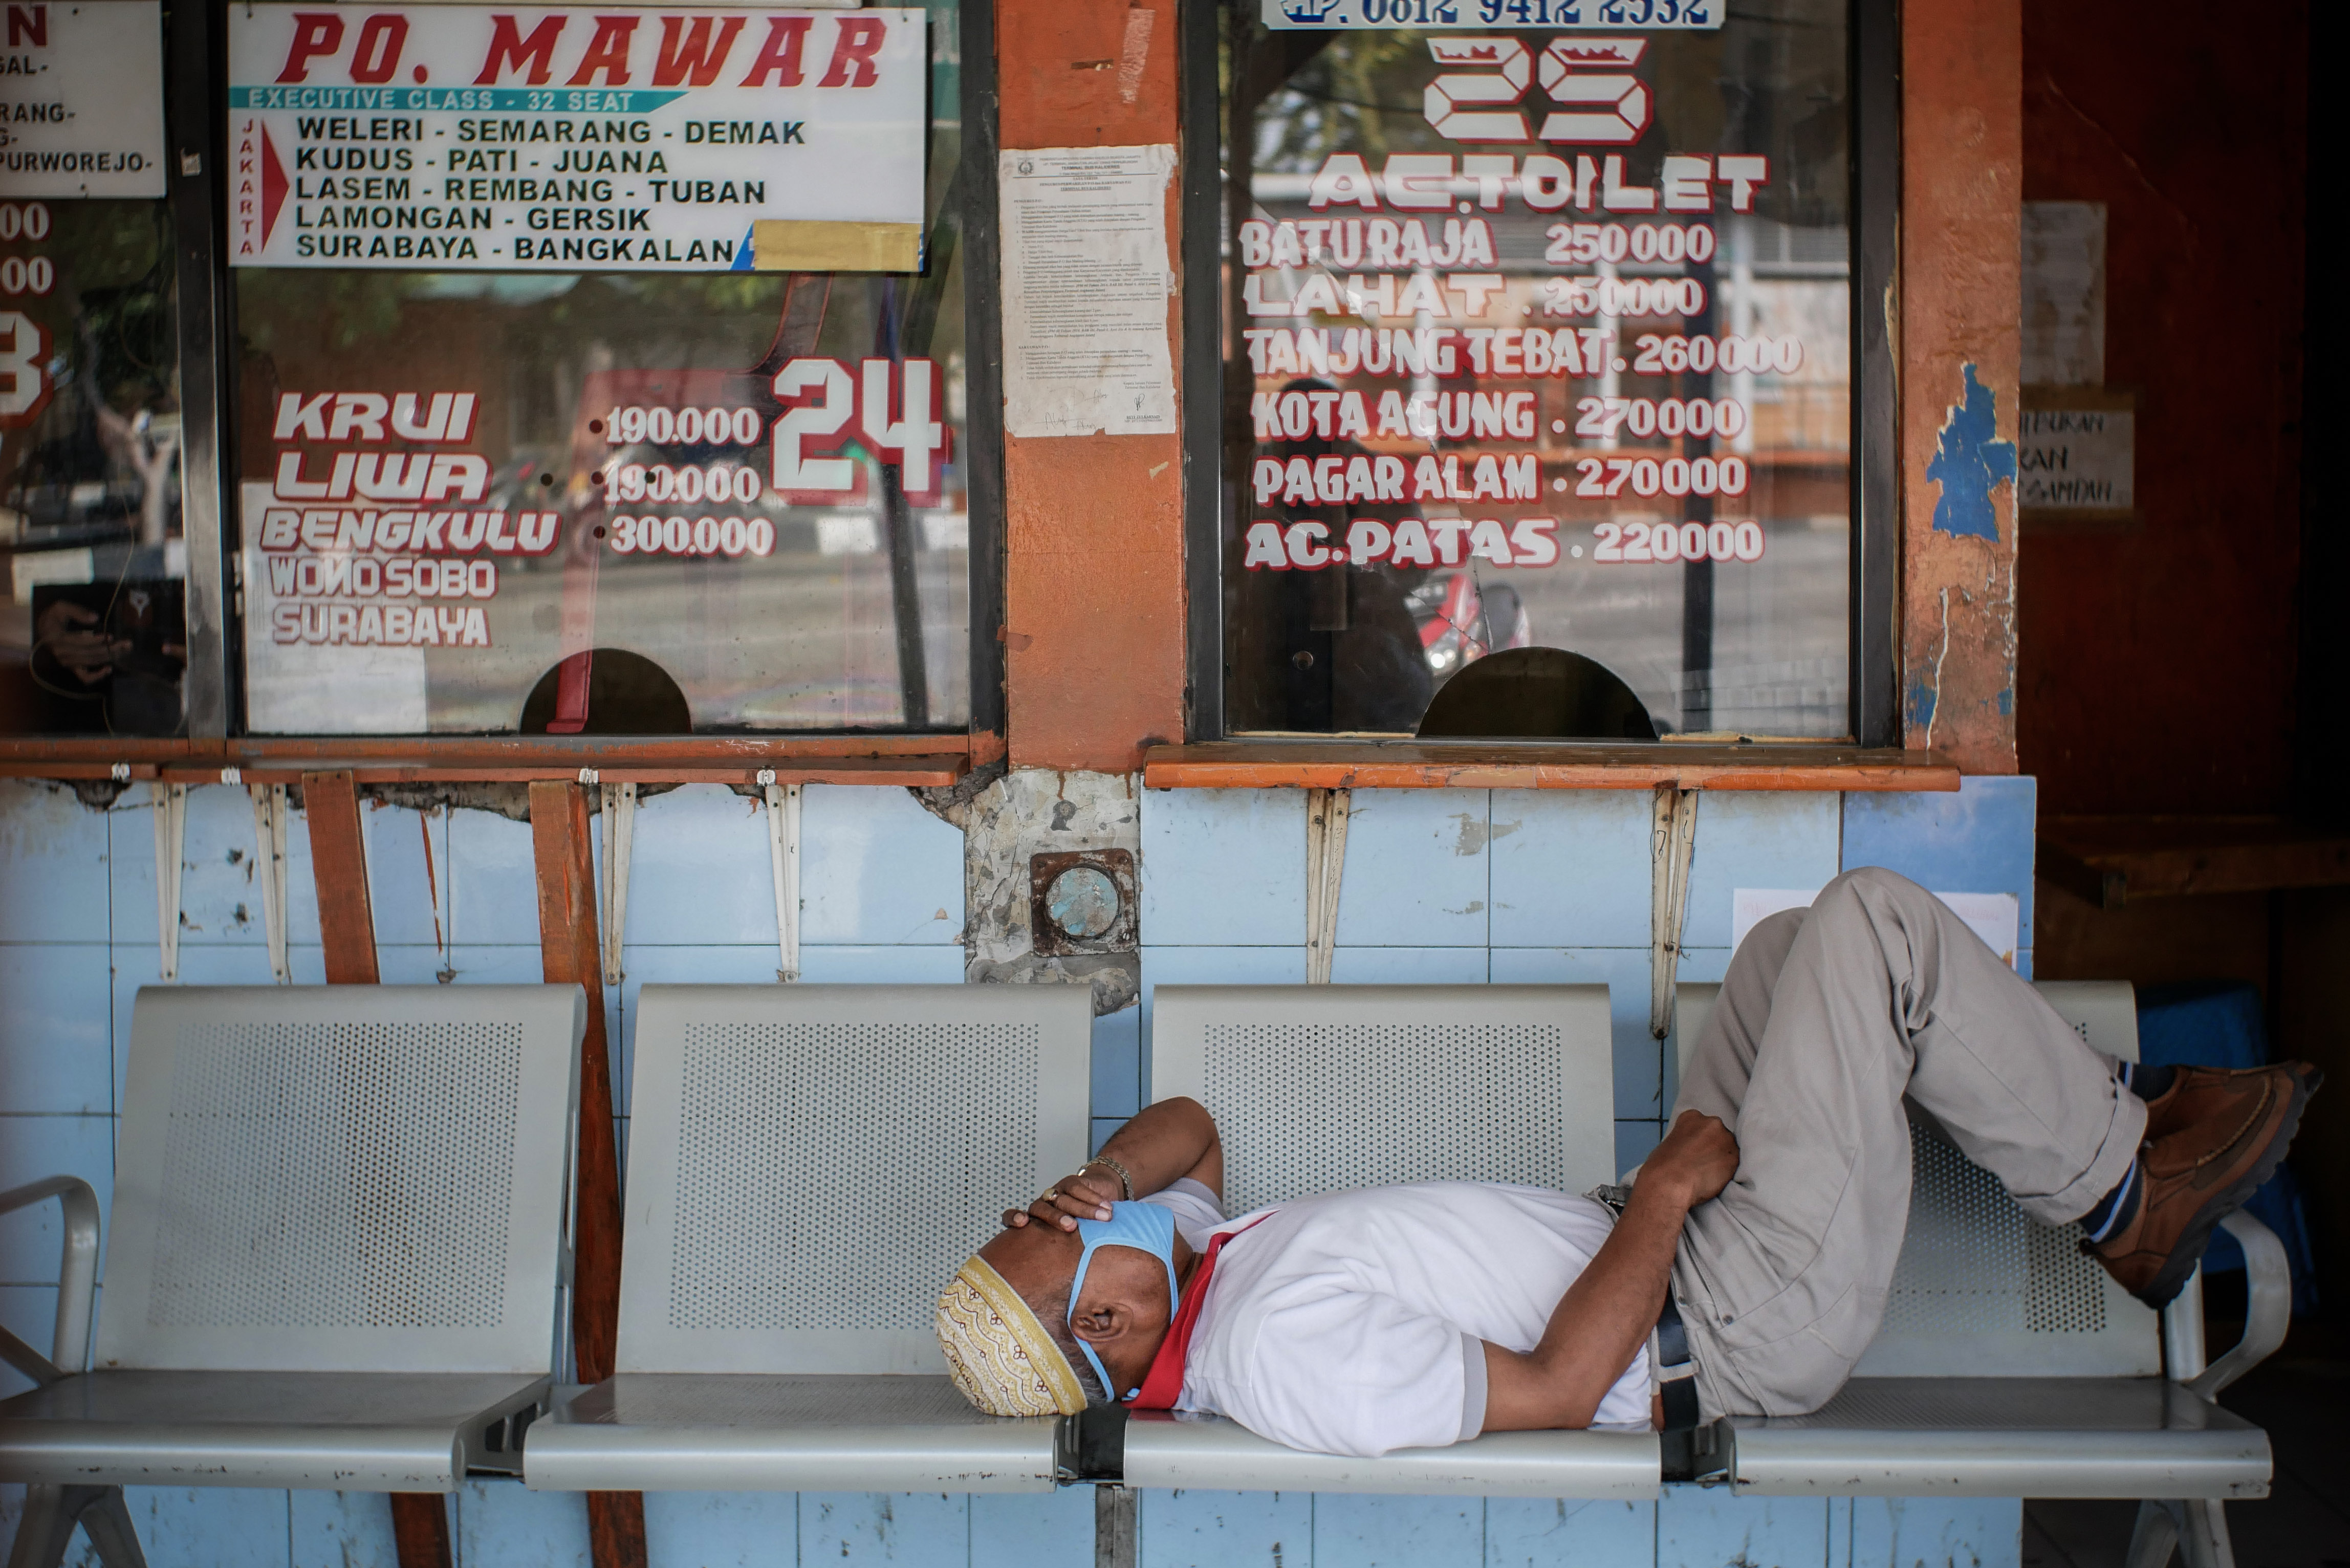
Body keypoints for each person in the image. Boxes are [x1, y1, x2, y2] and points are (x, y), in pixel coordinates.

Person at [934, 868, 2319, 1457]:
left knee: (1785, 958)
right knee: (1877, 930)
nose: (1061, 1207)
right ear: (1103, 1322)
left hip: (1674, 1254)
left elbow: (1194, 1127)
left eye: (1039, 1207)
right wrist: (1659, 1201)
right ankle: (2129, 1195)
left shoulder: (1190, 1270)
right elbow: (1549, 1389)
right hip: (1717, 1322)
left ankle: (2114, 1128)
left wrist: (1106, 1174)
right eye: (1057, 1235)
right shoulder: (1280, 1354)